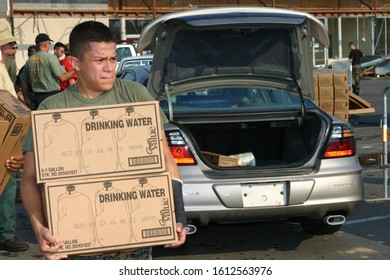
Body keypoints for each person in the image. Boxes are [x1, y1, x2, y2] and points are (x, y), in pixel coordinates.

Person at [20, 20, 187, 260]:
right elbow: (28, 179)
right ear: (75, 63)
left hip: (135, 248)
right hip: (78, 251)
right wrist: (39, 230)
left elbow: (165, 158)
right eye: (100, 60)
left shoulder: (135, 96)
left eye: (112, 59)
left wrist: (177, 216)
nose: (109, 67)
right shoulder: (52, 109)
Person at [0, 19, 30, 252]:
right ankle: (6, 234)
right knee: (7, 181)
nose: (13, 49)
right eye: (9, 44)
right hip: (4, 132)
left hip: (8, 128)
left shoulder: (2, 65)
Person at [19, 33, 76, 109]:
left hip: (37, 97)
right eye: (49, 43)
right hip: (52, 97)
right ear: (46, 44)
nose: (49, 45)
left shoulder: (30, 60)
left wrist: (26, 97)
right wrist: (76, 70)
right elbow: (63, 77)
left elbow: (23, 81)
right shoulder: (51, 58)